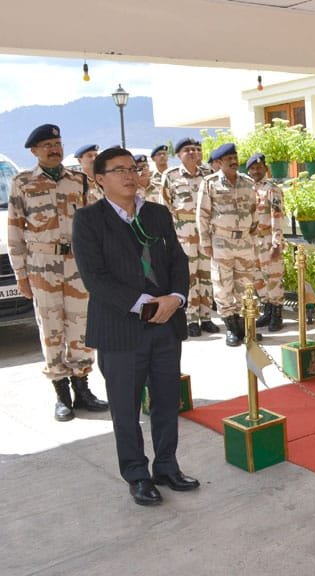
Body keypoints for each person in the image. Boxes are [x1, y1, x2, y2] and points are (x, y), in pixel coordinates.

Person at [72, 146, 198, 506]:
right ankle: (137, 474)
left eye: (133, 168)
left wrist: (176, 297)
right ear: (100, 179)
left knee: (166, 401)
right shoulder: (89, 220)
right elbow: (95, 278)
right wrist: (145, 305)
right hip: (120, 330)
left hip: (166, 325)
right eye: (119, 170)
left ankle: (167, 466)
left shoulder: (157, 213)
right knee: (126, 409)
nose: (130, 175)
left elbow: (177, 261)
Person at [7, 124, 107, 421]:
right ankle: (62, 394)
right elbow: (15, 231)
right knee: (51, 330)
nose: (54, 149)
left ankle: (83, 388)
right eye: (48, 145)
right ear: (34, 151)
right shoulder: (22, 183)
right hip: (42, 266)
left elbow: (95, 225)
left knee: (82, 327)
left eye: (58, 143)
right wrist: (21, 275)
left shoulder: (79, 181)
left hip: (78, 265)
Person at [197, 143, 263, 346]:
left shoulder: (247, 182)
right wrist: (205, 242)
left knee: (245, 286)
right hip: (221, 242)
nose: (234, 162)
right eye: (229, 159)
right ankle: (232, 329)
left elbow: (254, 211)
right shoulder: (210, 183)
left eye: (235, 158)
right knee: (223, 286)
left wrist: (253, 237)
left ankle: (245, 326)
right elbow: (202, 214)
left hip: (244, 241)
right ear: (219, 162)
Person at [160, 137, 218, 337]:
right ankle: (191, 318)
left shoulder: (208, 175)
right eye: (187, 150)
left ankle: (206, 316)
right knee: (189, 276)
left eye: (195, 149)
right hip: (183, 233)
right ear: (178, 155)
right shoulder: (171, 176)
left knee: (207, 275)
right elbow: (165, 206)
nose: (193, 153)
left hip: (206, 232)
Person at [246, 152, 285, 332]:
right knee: (257, 278)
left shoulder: (272, 189)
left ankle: (277, 314)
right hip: (252, 241)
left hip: (268, 239)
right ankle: (267, 310)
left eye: (259, 168)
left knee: (273, 277)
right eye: (253, 168)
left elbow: (277, 216)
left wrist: (277, 243)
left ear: (266, 169)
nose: (256, 171)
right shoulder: (246, 189)